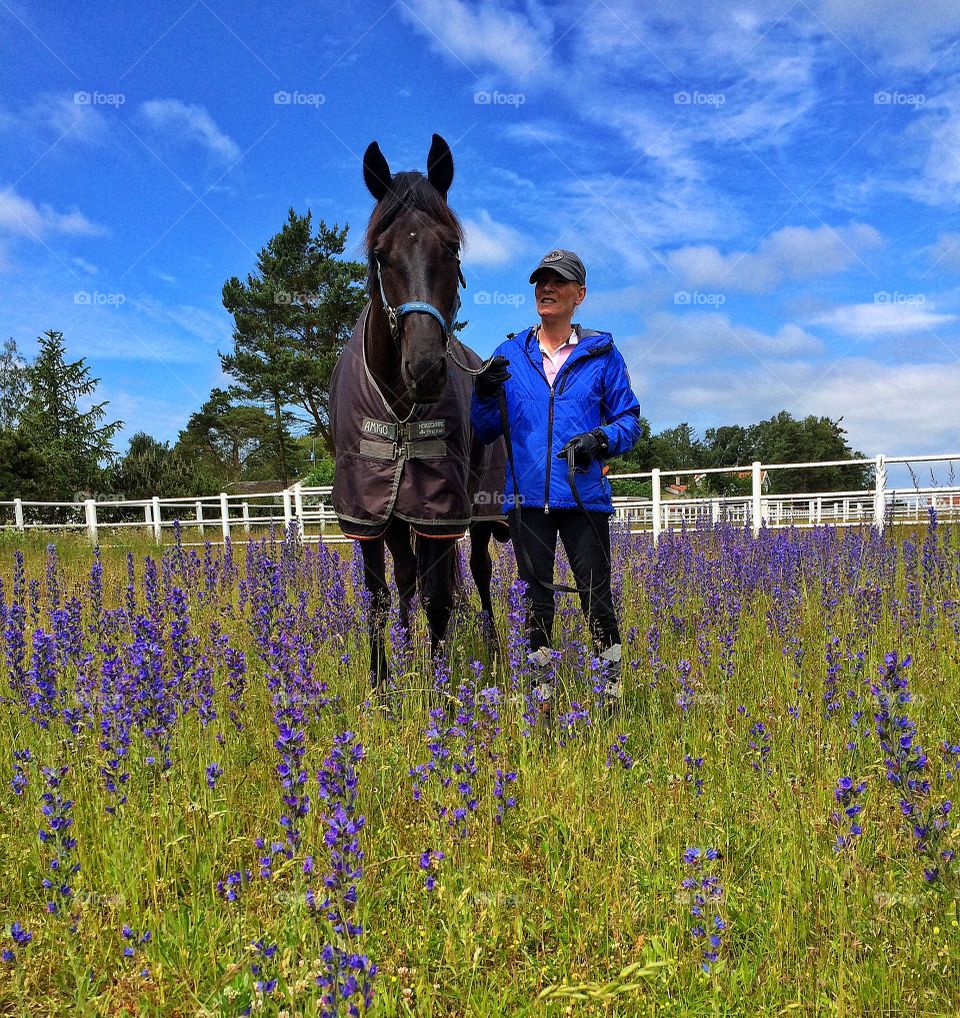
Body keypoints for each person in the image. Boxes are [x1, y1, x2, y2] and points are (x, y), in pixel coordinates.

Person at [470, 249, 643, 709]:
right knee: (536, 604)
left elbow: (630, 420)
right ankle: (541, 695)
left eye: (559, 281)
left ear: (579, 294)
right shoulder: (507, 354)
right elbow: (484, 428)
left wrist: (600, 440)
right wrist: (484, 396)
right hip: (526, 503)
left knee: (596, 599)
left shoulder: (603, 356)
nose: (546, 288)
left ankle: (610, 693)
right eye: (541, 281)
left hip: (584, 497)